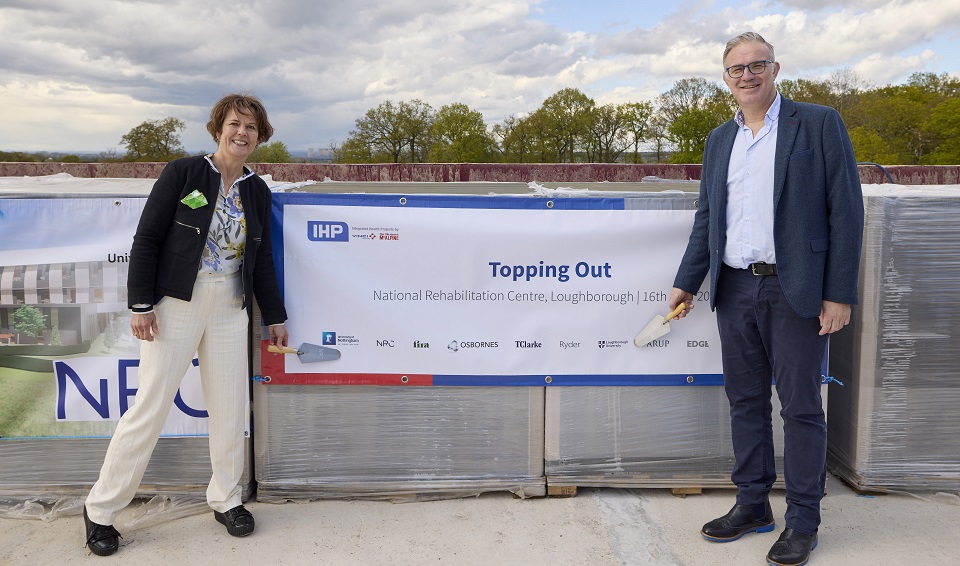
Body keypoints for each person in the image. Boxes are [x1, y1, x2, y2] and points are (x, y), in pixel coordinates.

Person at [668, 32, 863, 566]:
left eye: (757, 65)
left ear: (776, 69)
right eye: (737, 68)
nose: (748, 75)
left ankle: (803, 520)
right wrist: (687, 281)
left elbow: (846, 212)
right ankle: (753, 504)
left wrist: (838, 293)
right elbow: (708, 218)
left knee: (800, 408)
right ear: (726, 78)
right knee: (746, 402)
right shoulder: (719, 140)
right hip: (734, 287)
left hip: (794, 289)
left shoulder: (818, 123)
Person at [83, 93, 289, 556]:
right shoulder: (184, 173)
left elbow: (262, 261)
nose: (242, 133)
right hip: (177, 302)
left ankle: (227, 498)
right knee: (151, 406)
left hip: (230, 305)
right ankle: (101, 510)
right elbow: (147, 239)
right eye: (234, 124)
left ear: (260, 136)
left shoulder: (257, 190)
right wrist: (141, 305)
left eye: (251, 127)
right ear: (218, 129)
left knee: (229, 408)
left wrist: (274, 315)